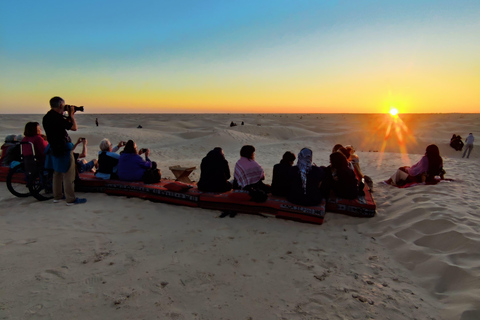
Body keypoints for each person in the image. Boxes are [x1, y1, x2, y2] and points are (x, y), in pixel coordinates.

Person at [43, 96, 86, 205]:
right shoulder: (57, 118)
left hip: (54, 148)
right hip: (64, 148)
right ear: (61, 105)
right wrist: (71, 115)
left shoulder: (47, 117)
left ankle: (57, 197)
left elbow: (62, 125)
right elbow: (74, 128)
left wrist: (67, 115)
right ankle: (70, 199)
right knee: (68, 175)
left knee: (57, 173)